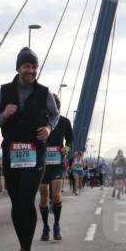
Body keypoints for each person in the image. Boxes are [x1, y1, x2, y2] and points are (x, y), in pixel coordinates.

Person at [0, 47, 59, 251]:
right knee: (16, 203)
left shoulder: (44, 92)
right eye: (26, 66)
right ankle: (23, 246)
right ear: (18, 67)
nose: (30, 70)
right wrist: (5, 115)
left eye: (33, 67)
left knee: (27, 199)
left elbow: (55, 114)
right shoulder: (4, 91)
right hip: (11, 150)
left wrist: (49, 128)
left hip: (35, 151)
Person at [39, 93, 73, 241]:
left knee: (57, 194)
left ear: (57, 105)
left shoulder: (64, 121)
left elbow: (71, 138)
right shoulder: (39, 121)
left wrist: (67, 148)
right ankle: (46, 226)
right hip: (42, 164)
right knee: (44, 196)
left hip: (58, 164)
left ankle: (57, 225)